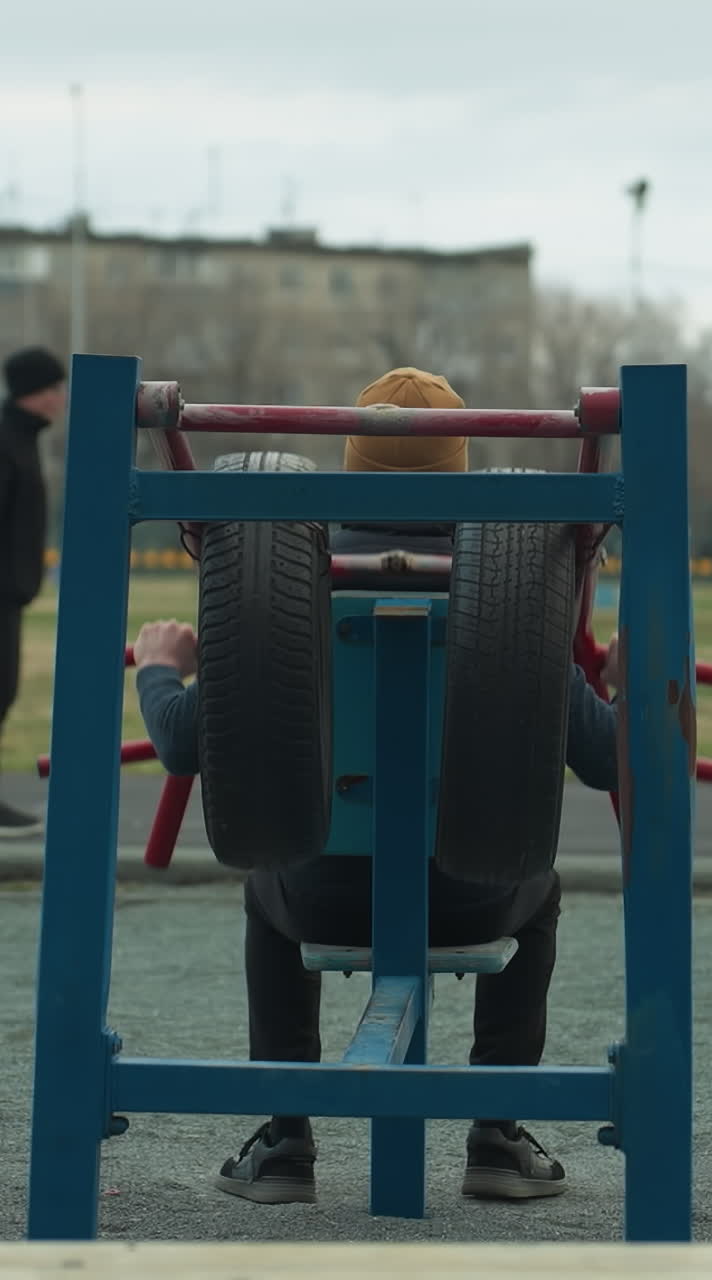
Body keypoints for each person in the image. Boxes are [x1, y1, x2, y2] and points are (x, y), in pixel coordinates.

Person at [133, 368, 619, 1207]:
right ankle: (496, 1133)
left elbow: (181, 745)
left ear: (349, 468)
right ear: (463, 468)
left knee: (267, 879)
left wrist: (160, 671)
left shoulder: (286, 589)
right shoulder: (508, 602)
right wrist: (618, 690)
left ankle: (285, 1140)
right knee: (537, 888)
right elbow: (613, 761)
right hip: (475, 896)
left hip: (320, 897)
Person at [0, 347, 66, 836]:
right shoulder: (6, 439)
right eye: (53, 389)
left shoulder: (22, 437)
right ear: (33, 393)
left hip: (10, 591)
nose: (60, 398)